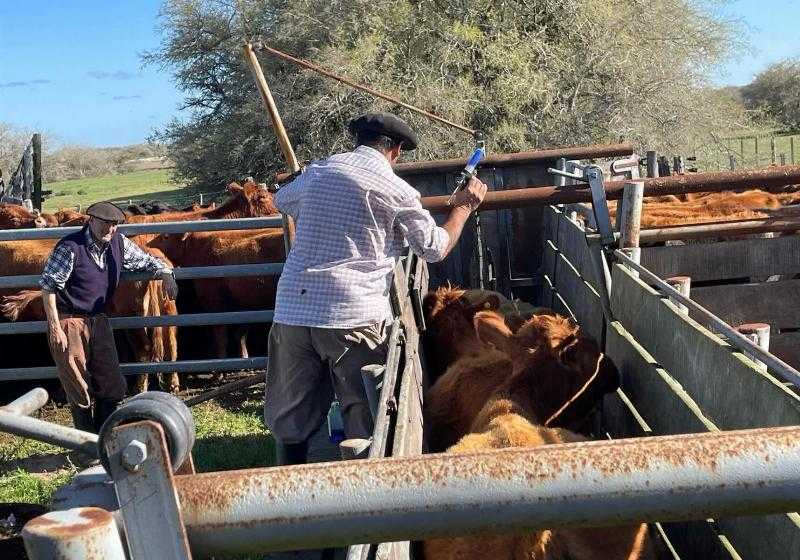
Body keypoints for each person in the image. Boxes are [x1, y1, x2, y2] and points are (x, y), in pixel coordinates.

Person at [265, 112, 488, 465]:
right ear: (396, 151)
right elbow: (433, 248)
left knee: (291, 416)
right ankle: (359, 496)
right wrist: (462, 209)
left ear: (358, 141)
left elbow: (281, 200)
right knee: (363, 415)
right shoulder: (396, 189)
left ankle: (287, 491)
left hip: (293, 310)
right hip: (353, 314)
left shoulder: (319, 172)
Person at [40, 201, 178, 433]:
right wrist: (55, 327)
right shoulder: (70, 247)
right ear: (91, 221)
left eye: (114, 225)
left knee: (113, 383)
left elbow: (145, 260)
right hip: (69, 320)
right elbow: (48, 287)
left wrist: (166, 273)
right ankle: (85, 442)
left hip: (98, 318)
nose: (110, 230)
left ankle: (104, 436)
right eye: (106, 224)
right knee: (78, 384)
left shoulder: (118, 242)